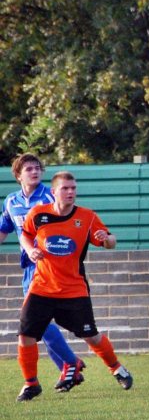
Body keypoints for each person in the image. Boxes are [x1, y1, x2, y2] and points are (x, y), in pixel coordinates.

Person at [16, 171, 133, 402]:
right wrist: (30, 250)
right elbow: (25, 235)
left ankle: (118, 369)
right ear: (53, 192)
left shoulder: (87, 217)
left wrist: (108, 239)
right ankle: (31, 384)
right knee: (25, 336)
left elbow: (110, 241)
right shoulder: (38, 214)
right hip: (41, 288)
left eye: (73, 188)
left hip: (74, 290)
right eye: (65, 188)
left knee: (92, 336)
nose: (70, 192)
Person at [0, 154, 86, 391]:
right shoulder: (11, 201)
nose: (35, 172)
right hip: (28, 266)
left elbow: (69, 223)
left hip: (50, 266)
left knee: (35, 319)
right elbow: (4, 228)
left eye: (37, 168)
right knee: (39, 321)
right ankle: (70, 368)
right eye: (29, 169)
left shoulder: (50, 195)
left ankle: (70, 363)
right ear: (18, 175)